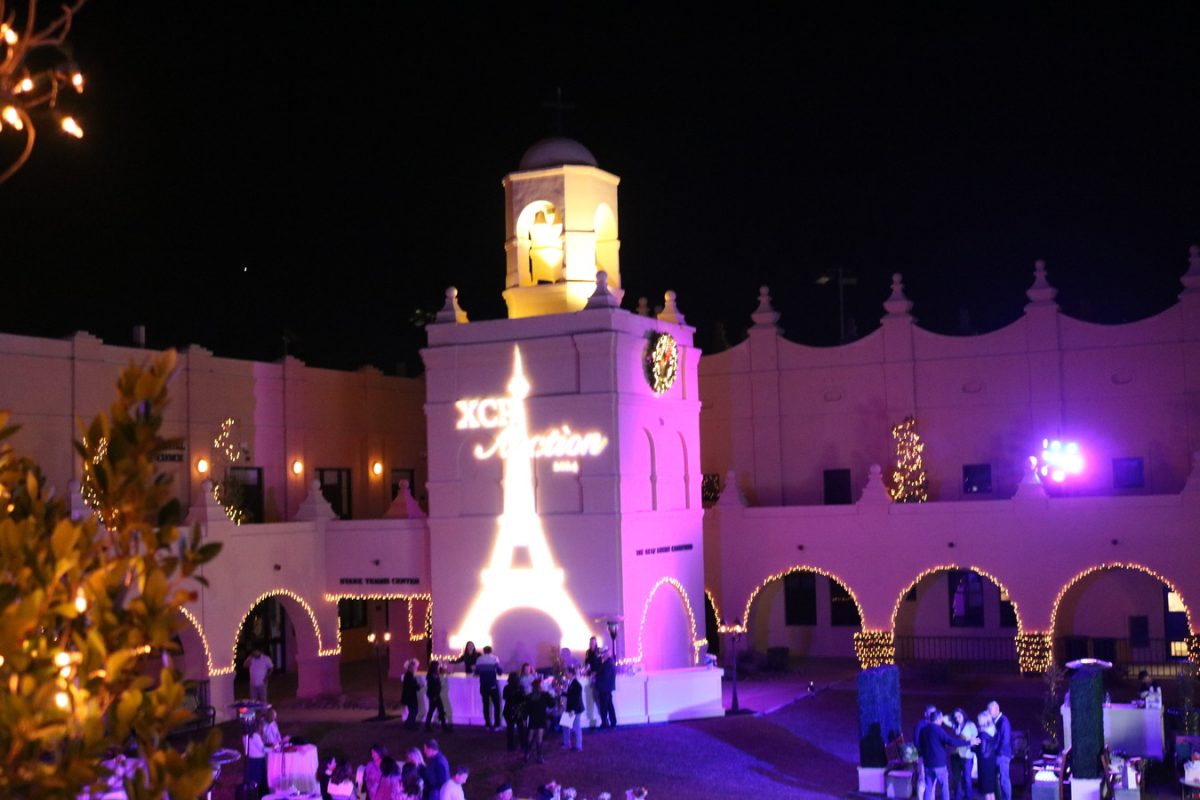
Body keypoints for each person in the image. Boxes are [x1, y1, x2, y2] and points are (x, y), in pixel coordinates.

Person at [918, 709, 976, 800]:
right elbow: (951, 741)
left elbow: (920, 744)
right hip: (939, 765)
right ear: (938, 719)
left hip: (928, 764)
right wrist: (968, 742)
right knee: (944, 788)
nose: (942, 721)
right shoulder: (938, 730)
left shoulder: (924, 730)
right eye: (941, 718)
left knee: (928, 787)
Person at [523, 677, 556, 763]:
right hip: (541, 717)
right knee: (539, 738)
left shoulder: (529, 696)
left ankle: (527, 754)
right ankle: (539, 756)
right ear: (540, 686)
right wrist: (553, 698)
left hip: (533, 718)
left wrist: (524, 719)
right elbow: (551, 705)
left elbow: (525, 709)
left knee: (530, 737)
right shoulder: (545, 695)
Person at [949, 708, 977, 800]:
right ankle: (958, 798)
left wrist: (967, 740)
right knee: (956, 779)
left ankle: (969, 798)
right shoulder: (954, 725)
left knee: (967, 779)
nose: (957, 718)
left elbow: (976, 737)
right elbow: (945, 718)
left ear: (963, 715)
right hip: (955, 755)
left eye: (959, 716)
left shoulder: (970, 725)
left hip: (967, 755)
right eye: (955, 717)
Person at [988, 700, 1012, 800]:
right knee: (1001, 780)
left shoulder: (1003, 722)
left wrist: (996, 752)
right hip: (1000, 754)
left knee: (1004, 781)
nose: (988, 713)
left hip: (1002, 755)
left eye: (990, 710)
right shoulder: (998, 721)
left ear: (996, 709)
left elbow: (1005, 740)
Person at [475, 645, 503, 730]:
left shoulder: (479, 659)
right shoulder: (494, 658)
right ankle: (497, 725)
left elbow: (476, 672)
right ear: (491, 651)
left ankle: (487, 724)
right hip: (493, 685)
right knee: (497, 705)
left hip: (483, 685)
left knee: (486, 705)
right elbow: (499, 672)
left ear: (483, 651)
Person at [975, 710, 1000, 800]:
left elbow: (982, 750)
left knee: (986, 790)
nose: (977, 721)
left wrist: (973, 746)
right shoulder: (993, 731)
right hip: (991, 762)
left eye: (979, 720)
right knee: (991, 790)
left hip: (984, 764)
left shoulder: (982, 734)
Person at [561, 666, 584, 752]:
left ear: (571, 674)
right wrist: (562, 692)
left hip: (574, 709)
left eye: (566, 673)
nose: (565, 674)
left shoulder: (576, 685)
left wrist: (573, 710)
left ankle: (578, 746)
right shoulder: (570, 683)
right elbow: (570, 695)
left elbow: (577, 698)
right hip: (570, 708)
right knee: (566, 726)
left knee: (576, 727)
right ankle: (567, 744)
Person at [243, 717, 268, 796]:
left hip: (250, 759)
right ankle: (260, 795)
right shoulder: (256, 736)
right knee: (260, 779)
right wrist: (274, 749)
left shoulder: (245, 736)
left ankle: (251, 794)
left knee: (252, 779)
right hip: (258, 760)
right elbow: (262, 749)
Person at [502, 672, 526, 752]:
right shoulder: (520, 687)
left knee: (510, 729)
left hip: (509, 710)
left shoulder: (507, 688)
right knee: (521, 728)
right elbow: (523, 699)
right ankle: (522, 744)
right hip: (517, 710)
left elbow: (505, 697)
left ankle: (510, 746)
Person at [594, 648, 617, 729]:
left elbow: (604, 676)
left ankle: (605, 723)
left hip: (605, 687)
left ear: (607, 653)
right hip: (607, 687)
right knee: (609, 705)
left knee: (604, 706)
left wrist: (595, 676)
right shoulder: (609, 662)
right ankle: (612, 722)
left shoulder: (608, 663)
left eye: (603, 653)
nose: (601, 654)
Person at [425, 661, 449, 732]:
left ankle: (428, 726)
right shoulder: (432, 675)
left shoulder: (432, 674)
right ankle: (443, 726)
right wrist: (435, 696)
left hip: (434, 695)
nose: (439, 667)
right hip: (434, 695)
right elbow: (433, 686)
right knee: (437, 710)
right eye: (438, 666)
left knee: (434, 710)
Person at [402, 659, 421, 730]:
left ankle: (408, 724)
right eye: (415, 667)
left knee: (413, 711)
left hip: (409, 696)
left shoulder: (409, 675)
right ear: (411, 667)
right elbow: (411, 686)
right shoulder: (409, 676)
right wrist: (418, 686)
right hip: (410, 696)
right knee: (414, 711)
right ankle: (410, 725)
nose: (416, 668)